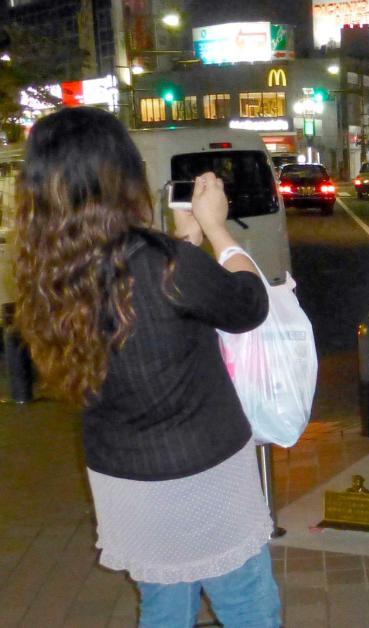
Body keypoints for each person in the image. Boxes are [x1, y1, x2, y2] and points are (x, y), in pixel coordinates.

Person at [13, 107, 281, 626]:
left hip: (125, 478)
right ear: (119, 174)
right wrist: (217, 230)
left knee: (164, 604)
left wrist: (187, 243)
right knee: (248, 604)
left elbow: (138, 314)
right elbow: (249, 305)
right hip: (203, 472)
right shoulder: (162, 262)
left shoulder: (47, 273)